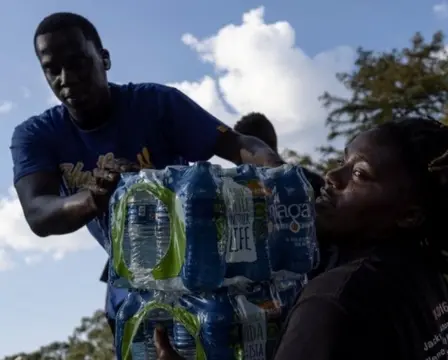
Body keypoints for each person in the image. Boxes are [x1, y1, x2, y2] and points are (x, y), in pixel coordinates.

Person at [154, 117, 448, 360]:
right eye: (343, 161)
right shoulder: (427, 278)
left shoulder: (335, 301)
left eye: (359, 174)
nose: (332, 177)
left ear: (411, 213)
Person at [11, 12, 283, 338]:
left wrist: (278, 172)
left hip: (204, 271)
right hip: (132, 287)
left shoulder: (156, 103)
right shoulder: (36, 135)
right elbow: (38, 212)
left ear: (104, 58)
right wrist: (93, 199)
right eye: (52, 70)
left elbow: (237, 143)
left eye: (78, 62)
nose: (66, 78)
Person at [233, 112, 331, 278]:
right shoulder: (309, 181)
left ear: (251, 149)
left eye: (236, 152)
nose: (235, 162)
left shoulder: (241, 193)